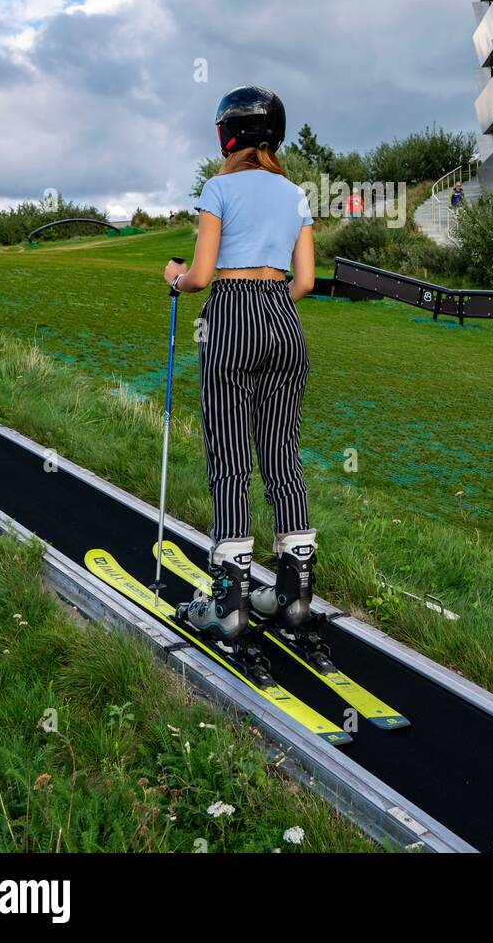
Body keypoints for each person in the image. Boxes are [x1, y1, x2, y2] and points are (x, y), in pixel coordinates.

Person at [163, 85, 316, 641]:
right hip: (284, 319)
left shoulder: (218, 188)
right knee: (282, 456)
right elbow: (305, 280)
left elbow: (200, 275)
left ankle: (230, 603)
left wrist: (174, 279)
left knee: (229, 457)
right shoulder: (296, 194)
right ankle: (294, 598)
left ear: (228, 133)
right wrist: (269, 306)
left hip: (229, 316)